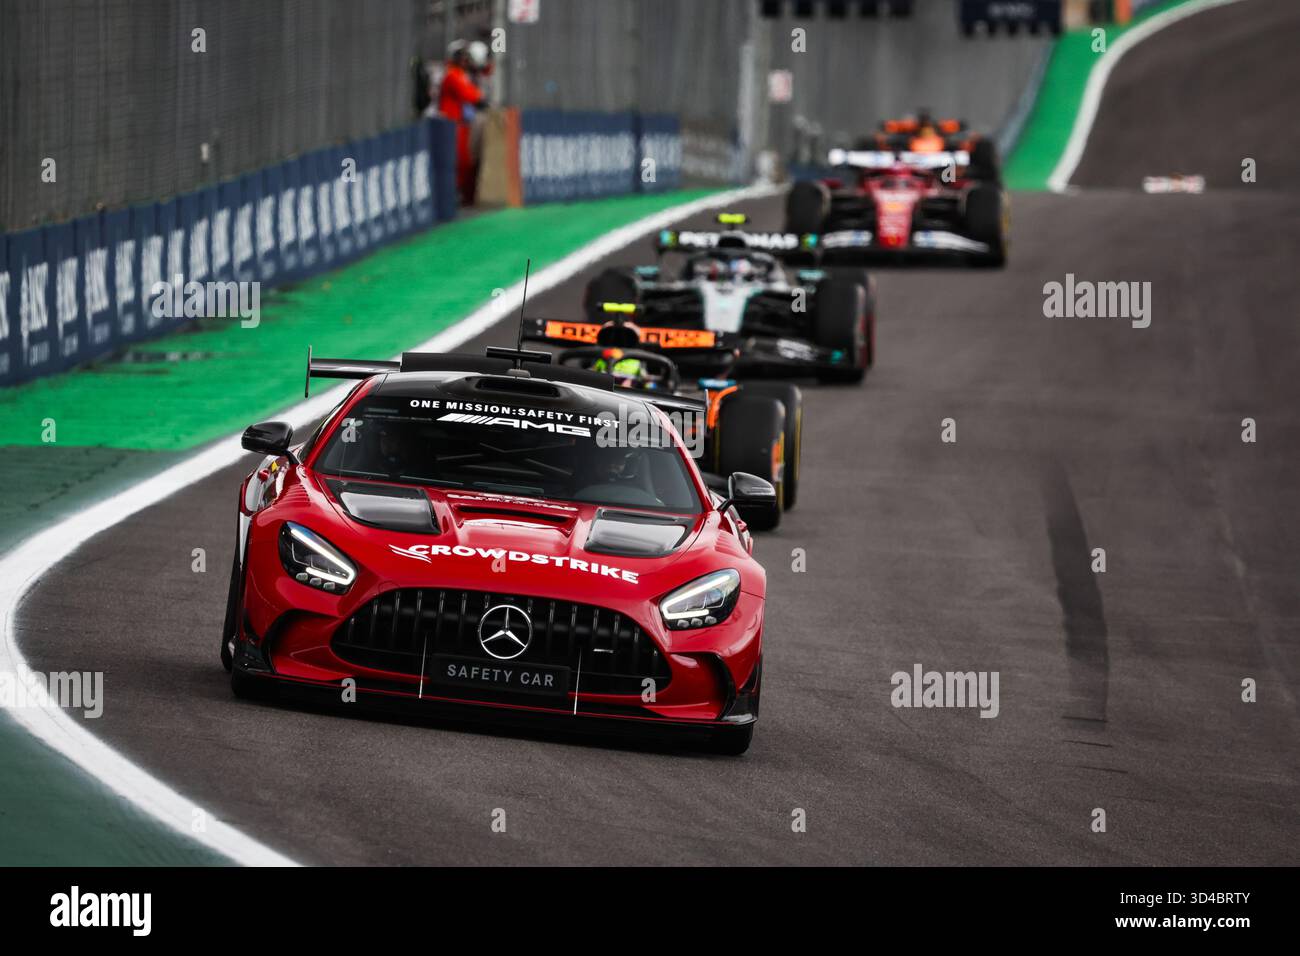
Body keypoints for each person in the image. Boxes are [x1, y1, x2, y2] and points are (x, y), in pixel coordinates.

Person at [438, 40, 488, 205]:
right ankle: (454, 194)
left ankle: (464, 195)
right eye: (462, 57)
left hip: (460, 122)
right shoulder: (452, 74)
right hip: (450, 124)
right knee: (458, 160)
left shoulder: (460, 73)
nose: (465, 60)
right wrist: (480, 97)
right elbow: (470, 94)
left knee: (465, 160)